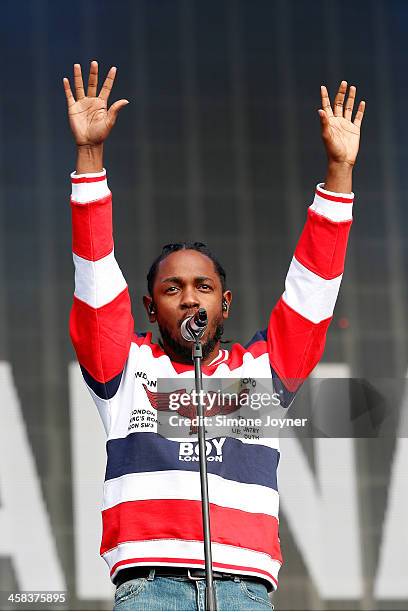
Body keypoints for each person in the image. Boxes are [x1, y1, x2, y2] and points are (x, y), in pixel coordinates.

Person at [63, 61, 365, 611]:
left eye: (203, 287)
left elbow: (313, 290)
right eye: (173, 289)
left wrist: (340, 170)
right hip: (151, 590)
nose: (190, 297)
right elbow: (95, 278)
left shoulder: (262, 374)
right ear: (150, 308)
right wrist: (90, 159)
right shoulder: (125, 370)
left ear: (224, 305)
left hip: (245, 593)